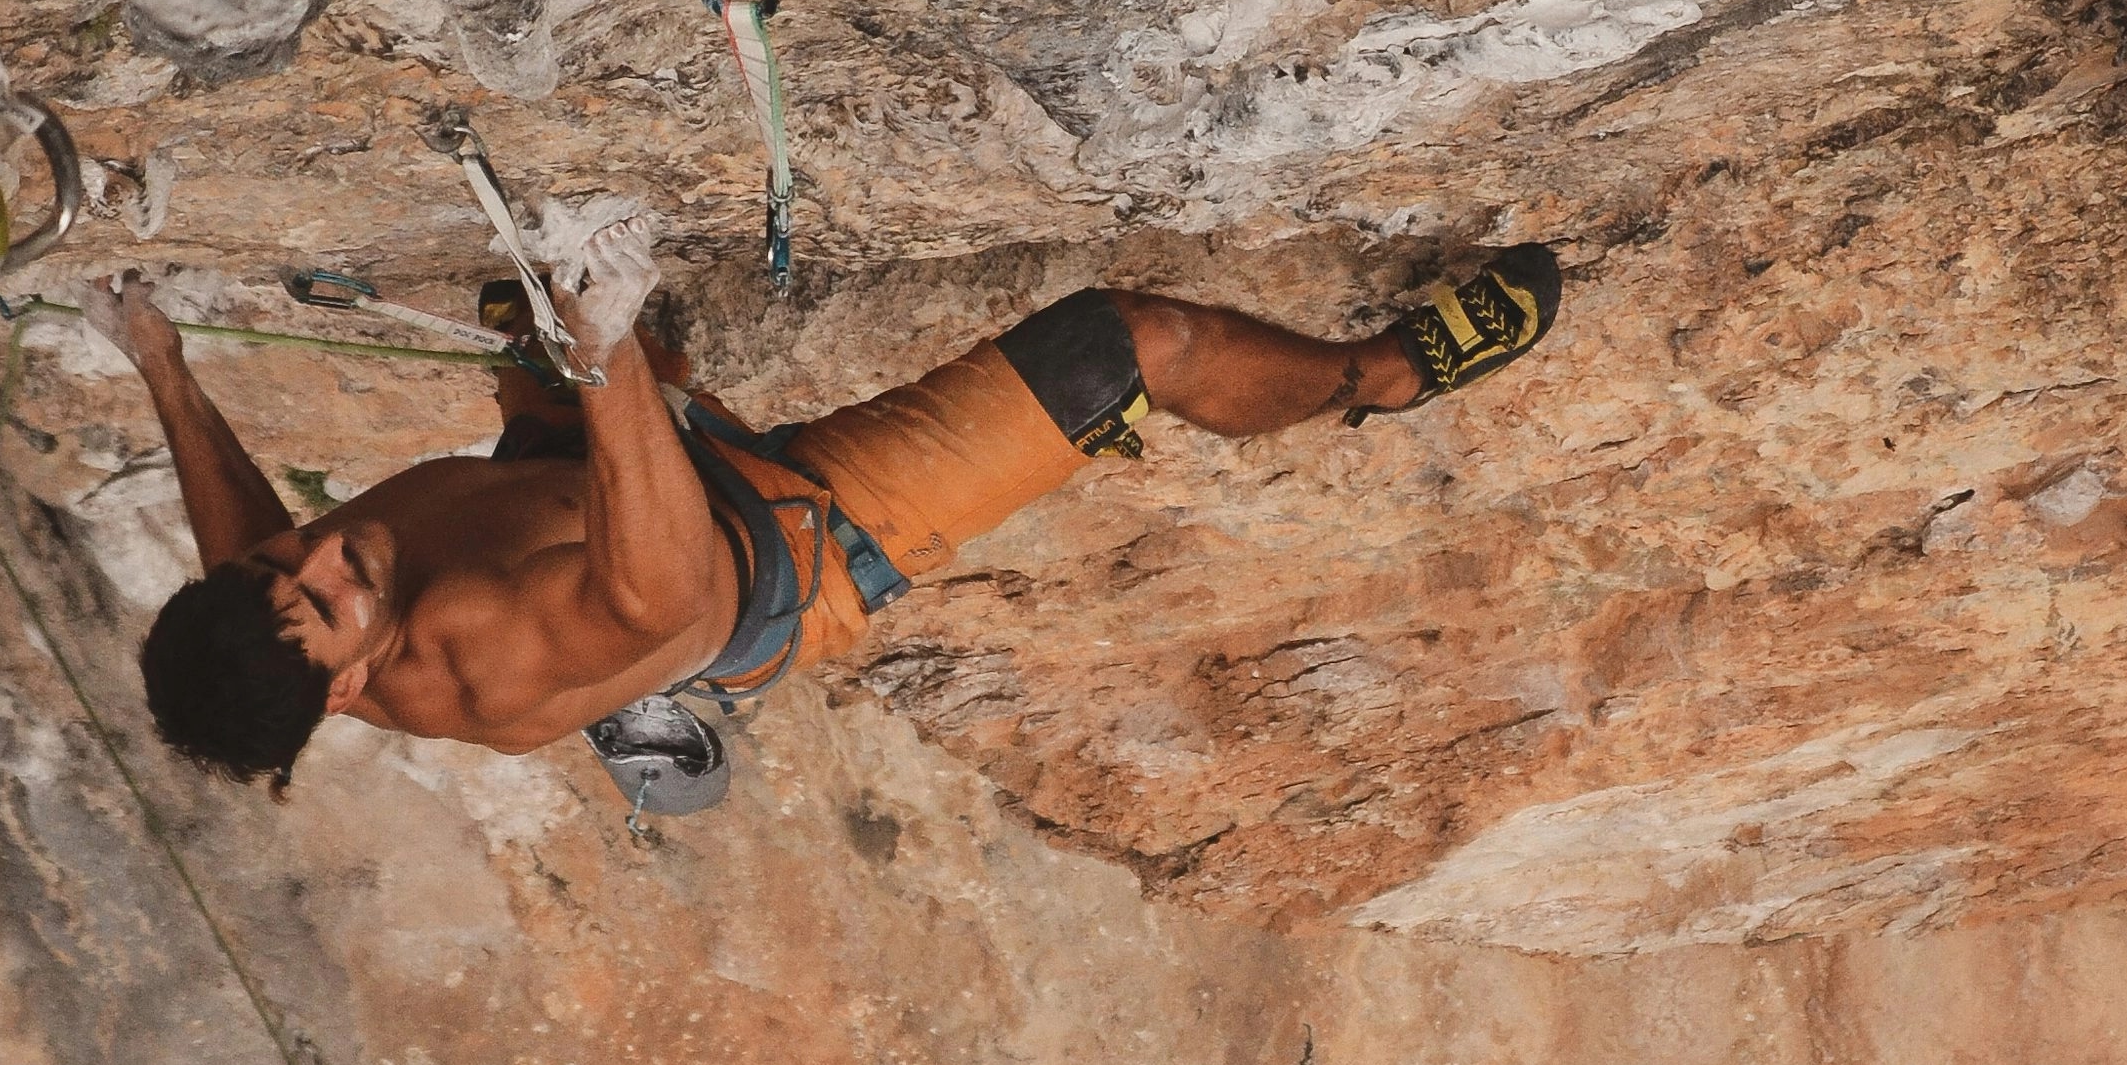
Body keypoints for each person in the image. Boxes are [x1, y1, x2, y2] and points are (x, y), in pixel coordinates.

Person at [100, 227, 1568, 798]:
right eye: (329, 593)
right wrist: (605, 354)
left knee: (555, 358)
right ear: (357, 683)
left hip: (579, 479)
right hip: (793, 540)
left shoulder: (279, 617)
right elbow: (668, 599)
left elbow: (238, 542)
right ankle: (1378, 377)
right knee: (1129, 345)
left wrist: (164, 366)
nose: (322, 546)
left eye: (288, 557)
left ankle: (568, 396)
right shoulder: (483, 658)